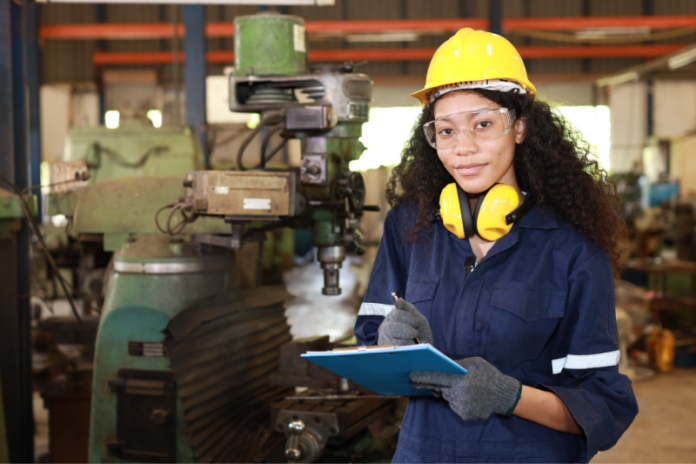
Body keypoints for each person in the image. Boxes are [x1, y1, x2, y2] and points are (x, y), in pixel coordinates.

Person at [354, 28, 638, 463]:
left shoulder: (571, 244)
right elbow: (372, 355)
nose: (463, 148)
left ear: (520, 127)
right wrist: (389, 349)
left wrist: (510, 396)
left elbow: (604, 404)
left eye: (483, 124)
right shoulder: (410, 226)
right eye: (446, 131)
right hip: (423, 453)